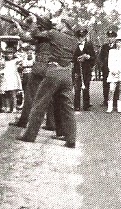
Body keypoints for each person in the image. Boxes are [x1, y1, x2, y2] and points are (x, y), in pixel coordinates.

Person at [18, 16, 77, 148]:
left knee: (39, 104)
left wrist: (33, 21)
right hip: (67, 73)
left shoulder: (54, 34)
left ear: (64, 24)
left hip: (53, 71)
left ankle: (30, 135)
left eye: (60, 23)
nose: (57, 25)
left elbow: (35, 34)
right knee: (68, 108)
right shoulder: (74, 40)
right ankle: (71, 138)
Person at [73, 28, 95, 111]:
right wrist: (77, 58)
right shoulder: (74, 45)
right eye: (79, 37)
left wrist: (88, 57)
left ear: (85, 37)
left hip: (86, 69)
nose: (81, 39)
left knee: (86, 87)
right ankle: (77, 105)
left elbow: (93, 57)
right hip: (77, 69)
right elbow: (72, 57)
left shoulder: (89, 45)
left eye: (82, 37)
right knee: (77, 88)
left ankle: (86, 105)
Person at [99, 30, 115, 108]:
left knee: (115, 84)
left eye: (112, 37)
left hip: (114, 68)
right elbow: (100, 57)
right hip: (106, 69)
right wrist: (102, 65)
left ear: (115, 38)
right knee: (105, 85)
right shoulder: (104, 46)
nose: (110, 39)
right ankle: (106, 100)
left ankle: (114, 102)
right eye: (109, 37)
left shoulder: (118, 46)